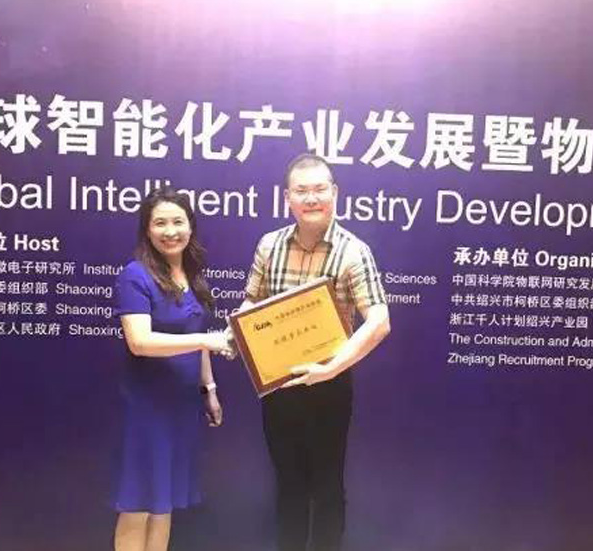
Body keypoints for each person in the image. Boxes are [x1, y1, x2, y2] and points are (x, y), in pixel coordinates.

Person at [236, 153, 391, 551]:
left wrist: (332, 368)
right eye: (301, 190)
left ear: (334, 193)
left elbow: (379, 321)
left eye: (319, 189)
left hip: (329, 385)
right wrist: (238, 329)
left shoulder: (353, 251)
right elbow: (251, 302)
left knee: (326, 488)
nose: (311, 198)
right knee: (288, 486)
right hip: (278, 385)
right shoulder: (269, 245)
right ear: (287, 197)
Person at [113, 187, 231, 551]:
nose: (170, 231)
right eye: (160, 223)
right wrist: (205, 341)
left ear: (190, 226)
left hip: (183, 405)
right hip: (147, 407)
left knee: (164, 504)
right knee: (138, 505)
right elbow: (140, 341)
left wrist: (209, 390)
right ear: (147, 230)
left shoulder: (192, 275)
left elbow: (199, 338)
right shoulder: (135, 275)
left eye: (178, 222)